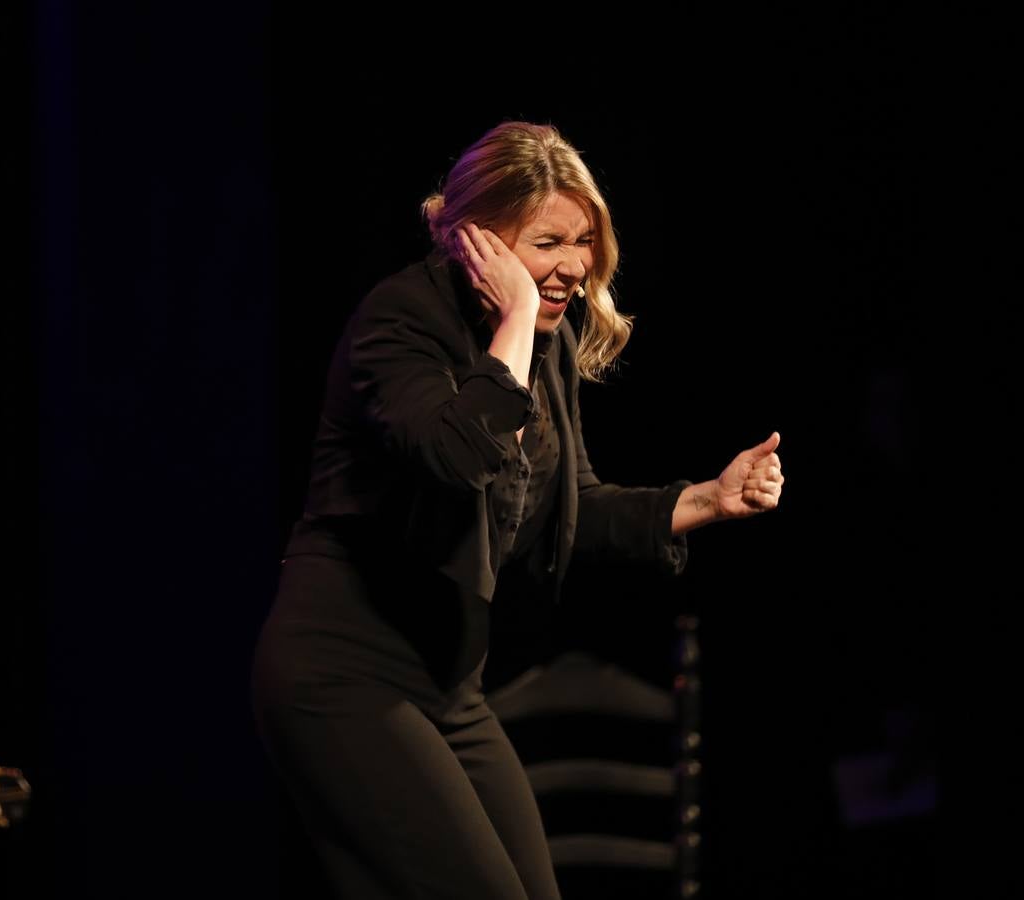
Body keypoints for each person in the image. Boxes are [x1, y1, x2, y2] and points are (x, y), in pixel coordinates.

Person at [251, 122, 784, 899]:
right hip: (344, 676)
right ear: (479, 242)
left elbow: (566, 510)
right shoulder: (400, 323)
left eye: (583, 241)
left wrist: (706, 499)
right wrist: (513, 324)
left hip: (448, 686)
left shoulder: (544, 342)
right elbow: (460, 459)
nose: (573, 267)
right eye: (548, 243)